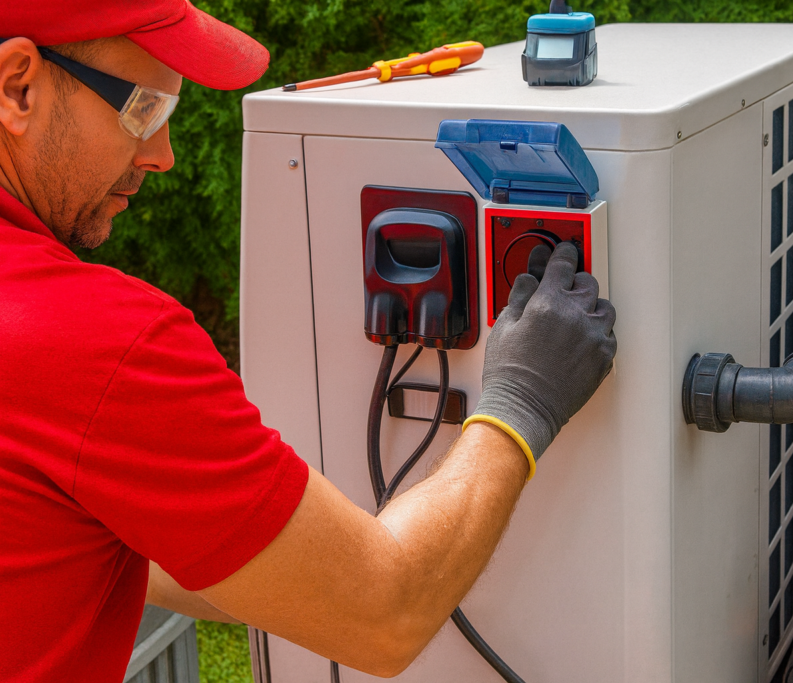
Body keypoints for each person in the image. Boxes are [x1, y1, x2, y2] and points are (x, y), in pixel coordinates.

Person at [0, 2, 617, 681]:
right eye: (143, 109)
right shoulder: (96, 345)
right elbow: (384, 615)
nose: (163, 155)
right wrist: (521, 402)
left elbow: (92, 544)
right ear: (17, 87)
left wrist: (314, 569)